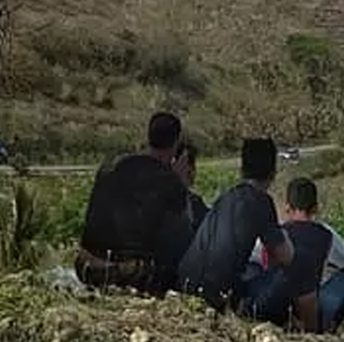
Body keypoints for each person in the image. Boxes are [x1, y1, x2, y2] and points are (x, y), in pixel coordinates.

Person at [76, 112, 194, 294]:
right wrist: (180, 185)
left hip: (86, 266)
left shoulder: (111, 166)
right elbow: (182, 241)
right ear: (176, 142)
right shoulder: (169, 182)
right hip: (130, 274)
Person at [176, 138, 291, 311]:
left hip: (184, 284)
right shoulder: (261, 201)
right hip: (215, 295)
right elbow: (284, 256)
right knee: (285, 275)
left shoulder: (227, 196)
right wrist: (286, 236)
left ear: (242, 169)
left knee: (252, 268)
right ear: (273, 172)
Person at [240, 177, 344, 332]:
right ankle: (330, 327)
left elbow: (252, 257)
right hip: (310, 311)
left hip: (274, 305)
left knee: (253, 268)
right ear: (315, 208)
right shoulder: (327, 234)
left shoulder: (276, 234)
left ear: (287, 208)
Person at [175, 141, 210, 229]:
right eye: (186, 162)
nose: (191, 170)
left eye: (192, 163)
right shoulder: (161, 204)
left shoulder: (196, 203)